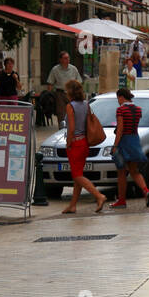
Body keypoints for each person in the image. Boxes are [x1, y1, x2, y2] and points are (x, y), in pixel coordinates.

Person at [61, 79, 108, 215]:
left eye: (66, 90)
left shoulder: (70, 106)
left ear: (70, 92)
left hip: (75, 143)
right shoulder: (86, 104)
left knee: (77, 176)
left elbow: (71, 128)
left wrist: (68, 143)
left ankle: (99, 196)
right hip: (85, 143)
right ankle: (73, 205)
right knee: (78, 174)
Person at [109, 87, 149, 209]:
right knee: (134, 171)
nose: (118, 101)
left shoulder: (120, 110)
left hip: (124, 141)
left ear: (121, 97)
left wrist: (115, 145)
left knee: (121, 172)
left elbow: (120, 129)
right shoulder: (138, 110)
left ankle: (121, 200)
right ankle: (146, 191)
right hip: (134, 140)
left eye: (118, 98)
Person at [46, 51, 81, 123]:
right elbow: (50, 83)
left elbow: (79, 82)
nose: (67, 60)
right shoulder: (55, 69)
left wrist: (78, 94)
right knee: (61, 113)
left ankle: (72, 128)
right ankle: (61, 130)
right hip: (60, 94)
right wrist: (49, 95)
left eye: (68, 58)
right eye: (65, 58)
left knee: (72, 111)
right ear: (60, 59)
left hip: (72, 93)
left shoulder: (73, 69)